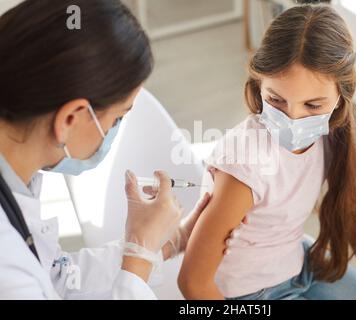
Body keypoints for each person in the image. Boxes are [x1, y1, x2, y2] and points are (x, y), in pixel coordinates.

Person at [178, 4, 356, 300]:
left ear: (341, 98)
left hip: (297, 264)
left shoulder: (331, 135)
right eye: (276, 101)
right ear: (259, 85)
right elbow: (193, 282)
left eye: (313, 106)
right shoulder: (246, 166)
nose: (293, 119)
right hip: (249, 293)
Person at [0, 0, 212, 299]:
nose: (116, 130)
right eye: (118, 117)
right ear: (71, 118)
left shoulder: (17, 181)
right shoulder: (7, 267)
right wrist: (137, 259)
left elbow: (56, 277)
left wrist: (166, 243)